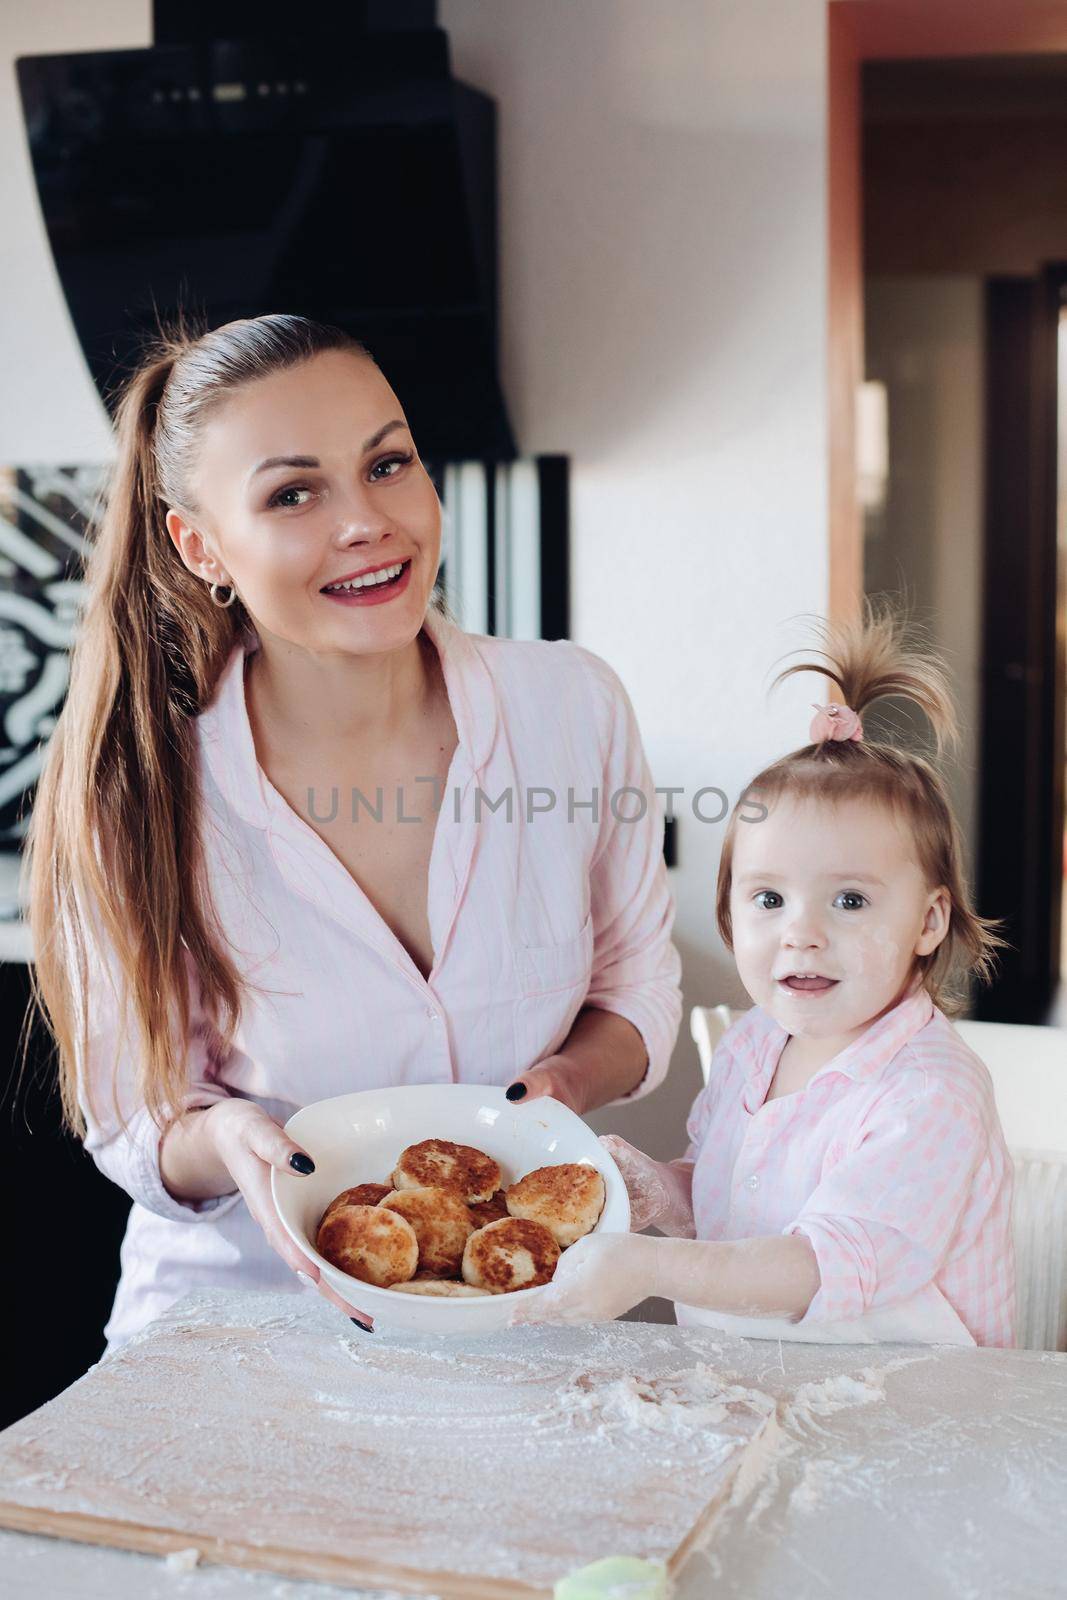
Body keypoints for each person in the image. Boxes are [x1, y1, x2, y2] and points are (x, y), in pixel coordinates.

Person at [25, 313, 682, 1348]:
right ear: (201, 546)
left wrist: (560, 1085)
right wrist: (228, 1137)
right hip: (232, 1336)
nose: (366, 521)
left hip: (517, 1316)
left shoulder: (572, 708)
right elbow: (135, 1123)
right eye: (294, 493)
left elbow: (636, 988)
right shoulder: (140, 791)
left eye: (387, 464)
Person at [513, 605, 1017, 1347]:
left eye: (848, 900)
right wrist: (664, 1191)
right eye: (768, 899)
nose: (801, 934)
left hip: (909, 1412)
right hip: (761, 1382)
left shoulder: (928, 1092)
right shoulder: (755, 1044)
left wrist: (650, 1265)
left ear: (929, 921)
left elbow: (820, 1263)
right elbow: (739, 1202)